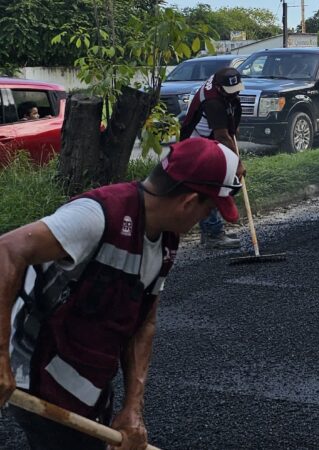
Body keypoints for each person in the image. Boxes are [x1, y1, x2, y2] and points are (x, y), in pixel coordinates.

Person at [0, 138, 242, 450]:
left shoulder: (166, 238)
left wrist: (132, 409)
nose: (207, 219)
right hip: (35, 370)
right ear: (188, 201)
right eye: (209, 209)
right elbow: (6, 250)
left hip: (86, 376)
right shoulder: (96, 216)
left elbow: (144, 322)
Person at [181, 67, 244, 249]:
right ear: (218, 88)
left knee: (216, 182)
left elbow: (230, 123)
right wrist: (237, 163)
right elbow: (222, 136)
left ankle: (211, 230)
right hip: (196, 144)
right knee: (212, 183)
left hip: (209, 140)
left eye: (237, 89)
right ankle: (212, 233)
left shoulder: (225, 91)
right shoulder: (213, 102)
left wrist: (234, 128)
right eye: (230, 92)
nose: (235, 93)